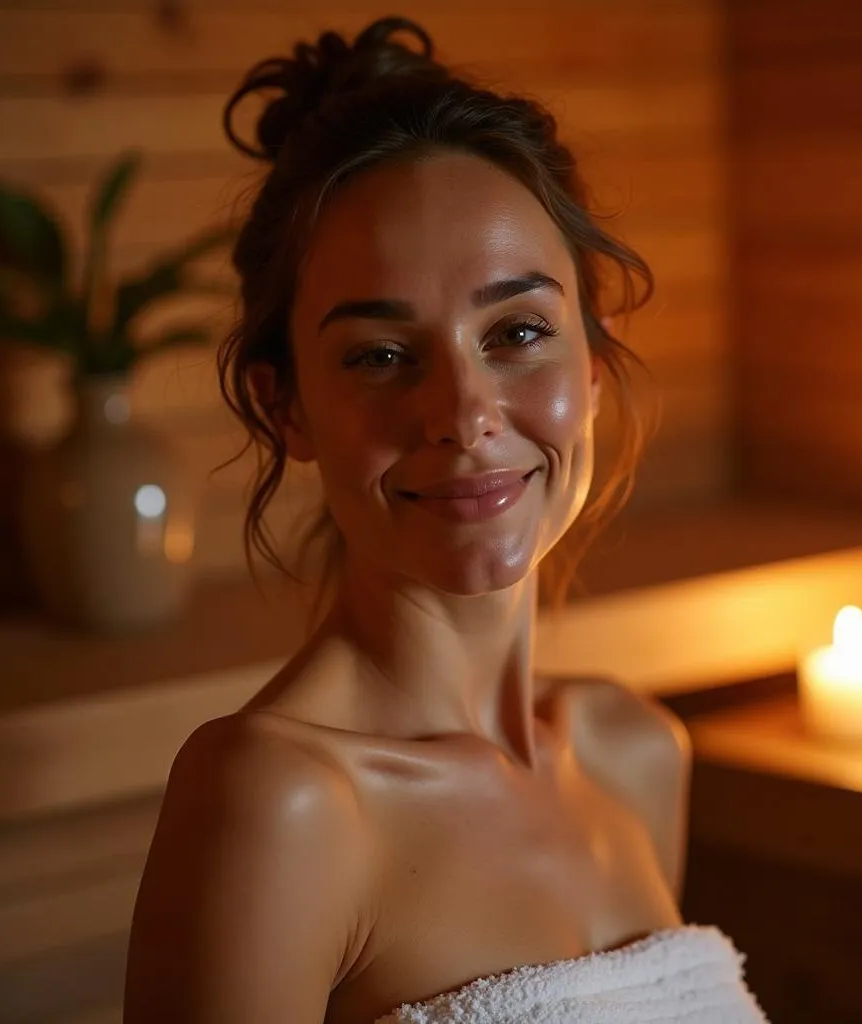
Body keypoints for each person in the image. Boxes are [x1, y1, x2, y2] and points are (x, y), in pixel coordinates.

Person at [125, 17, 766, 1024]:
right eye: (380, 354)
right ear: (284, 404)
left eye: (516, 332)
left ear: (590, 373)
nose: (463, 415)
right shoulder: (276, 801)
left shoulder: (632, 751)